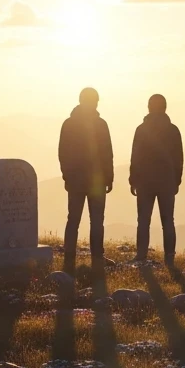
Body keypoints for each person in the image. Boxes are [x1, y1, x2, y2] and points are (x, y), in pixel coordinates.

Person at [59, 86, 114, 271]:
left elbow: (62, 153)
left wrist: (67, 176)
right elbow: (107, 153)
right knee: (96, 220)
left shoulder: (69, 124)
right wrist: (109, 178)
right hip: (97, 181)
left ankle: (69, 258)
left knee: (73, 219)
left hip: (75, 180)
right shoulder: (101, 124)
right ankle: (97, 257)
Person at [130, 93, 183, 267]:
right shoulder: (173, 130)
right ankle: (169, 257)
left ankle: (141, 255)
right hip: (167, 181)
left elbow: (135, 156)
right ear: (165, 108)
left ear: (149, 108)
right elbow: (178, 158)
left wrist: (133, 179)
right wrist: (176, 181)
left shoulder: (141, 129)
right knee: (168, 220)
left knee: (143, 220)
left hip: (144, 181)